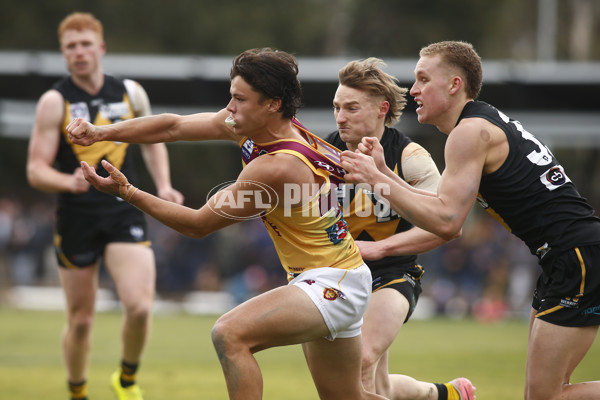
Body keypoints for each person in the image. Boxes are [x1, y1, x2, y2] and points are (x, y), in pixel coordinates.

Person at [66, 47, 388, 400]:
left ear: (272, 104)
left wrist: (127, 192)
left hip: (332, 283)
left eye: (239, 99)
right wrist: (100, 133)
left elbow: (197, 225)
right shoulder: (259, 128)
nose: (230, 108)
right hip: (338, 276)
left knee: (229, 334)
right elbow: (173, 126)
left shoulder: (277, 166)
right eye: (230, 97)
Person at [340, 40, 600, 400]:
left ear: (454, 85)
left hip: (577, 257)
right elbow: (440, 205)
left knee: (547, 396)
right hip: (570, 256)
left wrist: (377, 194)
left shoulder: (468, 133)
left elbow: (447, 223)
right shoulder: (476, 123)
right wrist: (383, 174)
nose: (412, 89)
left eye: (422, 79)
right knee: (545, 394)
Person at [26, 12, 184, 400]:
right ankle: (77, 392)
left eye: (85, 44)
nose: (78, 52)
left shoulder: (130, 93)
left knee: (140, 307)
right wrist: (68, 181)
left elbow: (152, 139)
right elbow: (34, 170)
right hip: (77, 216)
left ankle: (126, 381)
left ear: (101, 48)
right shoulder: (54, 101)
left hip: (122, 208)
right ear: (63, 54)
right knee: (80, 321)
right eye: (70, 47)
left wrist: (164, 185)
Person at [326, 57, 475, 400]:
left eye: (351, 107)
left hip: (392, 277)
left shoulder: (410, 157)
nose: (340, 117)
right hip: (340, 278)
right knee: (378, 384)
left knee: (361, 360)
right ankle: (445, 395)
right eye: (336, 107)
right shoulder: (321, 154)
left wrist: (380, 249)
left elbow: (448, 226)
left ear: (382, 108)